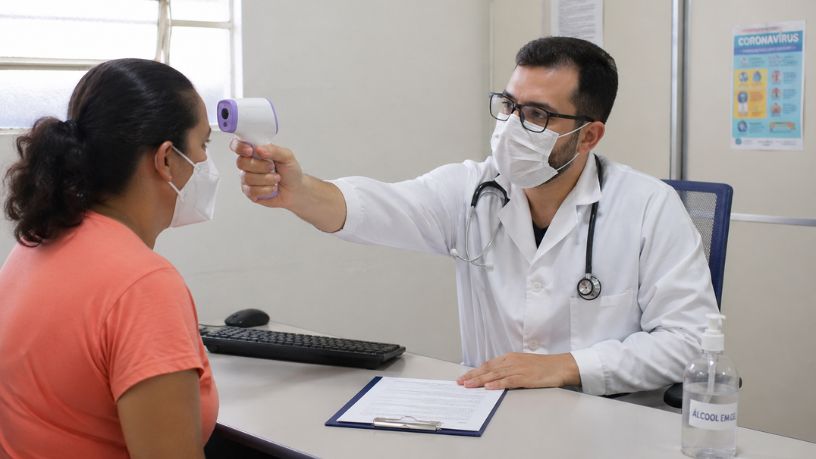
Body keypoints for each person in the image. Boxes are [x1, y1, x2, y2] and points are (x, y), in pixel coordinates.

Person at [231, 37, 718, 396]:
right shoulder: (473, 189)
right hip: (490, 413)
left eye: (537, 115)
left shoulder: (649, 208)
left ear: (589, 137)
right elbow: (375, 208)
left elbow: (692, 343)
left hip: (609, 418)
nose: (511, 126)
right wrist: (297, 191)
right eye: (508, 105)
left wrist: (569, 366)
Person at [0, 58, 219, 458]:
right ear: (167, 158)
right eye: (203, 144)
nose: (207, 162)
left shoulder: (32, 246)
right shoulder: (143, 285)